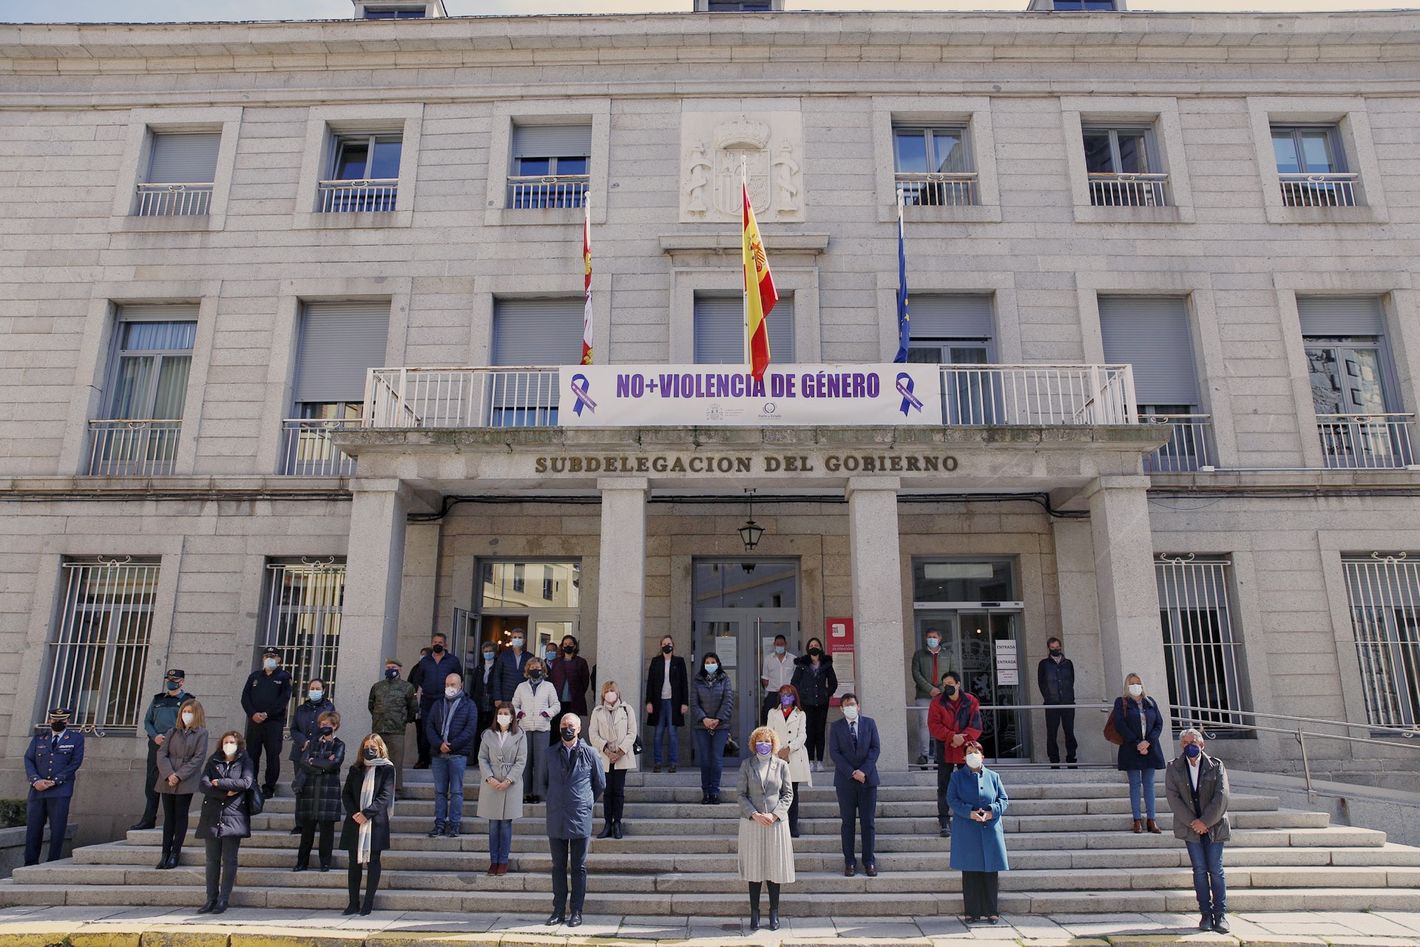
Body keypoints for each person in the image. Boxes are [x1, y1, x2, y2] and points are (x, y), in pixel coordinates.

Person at [538, 714, 605, 929]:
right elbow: (543, 782)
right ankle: (558, 910)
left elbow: (600, 784)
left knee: (579, 866)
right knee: (558, 866)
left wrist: (584, 802)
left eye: (571, 726)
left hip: (579, 816)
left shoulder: (590, 753)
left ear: (579, 728)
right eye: (564, 725)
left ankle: (576, 911)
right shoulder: (549, 753)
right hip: (556, 815)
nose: (567, 729)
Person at [1165, 728, 1231, 935]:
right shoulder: (1174, 768)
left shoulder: (1216, 765)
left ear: (1202, 745)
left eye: (1193, 742)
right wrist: (1193, 822)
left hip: (1214, 826)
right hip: (1191, 827)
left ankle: (1220, 914)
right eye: (1185, 743)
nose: (1189, 746)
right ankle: (1205, 914)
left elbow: (1222, 796)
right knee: (1200, 871)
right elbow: (1173, 799)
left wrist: (1205, 821)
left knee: (1215, 870)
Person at [737, 724, 796, 932]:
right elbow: (741, 794)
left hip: (775, 822)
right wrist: (754, 814)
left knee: (773, 868)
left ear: (773, 744)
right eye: (760, 741)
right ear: (754, 744)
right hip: (753, 822)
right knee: (754, 869)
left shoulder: (781, 765)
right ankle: (754, 912)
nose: (764, 745)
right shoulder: (746, 764)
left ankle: (774, 911)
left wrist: (774, 814)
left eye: (767, 741)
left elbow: (788, 794)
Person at [948, 740, 1010, 925]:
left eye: (976, 752)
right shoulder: (957, 777)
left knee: (990, 872)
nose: (973, 755)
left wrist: (992, 810)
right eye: (969, 752)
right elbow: (951, 799)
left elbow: (1003, 799)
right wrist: (970, 812)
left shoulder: (993, 776)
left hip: (989, 828)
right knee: (971, 873)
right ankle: (972, 911)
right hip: (968, 829)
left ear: (983, 756)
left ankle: (991, 910)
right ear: (963, 757)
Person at [195, 730, 255, 915]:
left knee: (229, 860)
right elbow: (203, 784)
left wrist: (219, 783)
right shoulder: (213, 760)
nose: (228, 744)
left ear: (239, 745)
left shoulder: (244, 760)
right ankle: (210, 898)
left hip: (234, 816)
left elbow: (245, 783)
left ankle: (223, 899)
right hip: (212, 815)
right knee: (212, 860)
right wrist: (224, 791)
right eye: (226, 741)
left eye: (232, 742)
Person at [132, 668, 195, 830]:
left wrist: (172, 739)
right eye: (169, 679)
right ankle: (148, 818)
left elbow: (190, 724)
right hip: (156, 744)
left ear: (181, 682)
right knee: (152, 782)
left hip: (176, 746)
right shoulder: (157, 700)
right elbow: (147, 721)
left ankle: (171, 821)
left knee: (172, 782)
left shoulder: (189, 701)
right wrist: (155, 737)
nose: (171, 683)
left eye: (174, 680)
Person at [340, 734, 396, 916]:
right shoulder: (356, 769)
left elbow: (385, 796)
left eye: (373, 746)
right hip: (355, 821)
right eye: (366, 746)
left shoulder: (387, 769)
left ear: (380, 749)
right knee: (353, 863)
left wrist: (366, 814)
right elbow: (346, 793)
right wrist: (355, 813)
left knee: (373, 862)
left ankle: (368, 902)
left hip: (375, 823)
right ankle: (353, 902)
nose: (369, 749)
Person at [23, 707, 85, 867]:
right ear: (49, 720)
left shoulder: (76, 739)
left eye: (62, 720)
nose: (58, 722)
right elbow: (28, 759)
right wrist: (36, 780)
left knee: (57, 830)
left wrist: (55, 781)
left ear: (68, 721)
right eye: (55, 720)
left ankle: (52, 863)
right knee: (33, 829)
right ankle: (30, 864)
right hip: (37, 790)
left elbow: (75, 763)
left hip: (60, 790)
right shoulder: (39, 739)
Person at [828, 693, 880, 877]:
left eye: (852, 704)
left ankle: (869, 861)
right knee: (847, 823)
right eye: (846, 705)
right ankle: (849, 861)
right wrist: (851, 772)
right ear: (841, 709)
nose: (850, 707)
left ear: (858, 706)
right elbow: (834, 753)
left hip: (868, 780)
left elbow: (875, 749)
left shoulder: (869, 723)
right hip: (845, 781)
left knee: (868, 823)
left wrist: (863, 771)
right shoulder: (836, 727)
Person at [153, 697, 208, 870]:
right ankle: (165, 853)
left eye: (189, 712)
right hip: (167, 779)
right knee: (168, 817)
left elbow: (198, 758)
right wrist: (169, 774)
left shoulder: (201, 733)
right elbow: (162, 754)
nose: (186, 715)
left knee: (180, 816)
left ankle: (175, 853)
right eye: (184, 712)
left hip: (186, 780)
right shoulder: (172, 732)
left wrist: (179, 775)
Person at [928, 670, 982, 838]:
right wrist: (952, 736)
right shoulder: (937, 702)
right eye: (944, 685)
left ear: (958, 684)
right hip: (945, 747)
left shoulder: (971, 701)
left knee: (968, 784)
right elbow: (933, 725)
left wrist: (963, 738)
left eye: (950, 684)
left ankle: (969, 816)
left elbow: (976, 725)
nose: (947, 687)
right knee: (943, 786)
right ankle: (944, 820)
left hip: (966, 749)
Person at [477, 700, 527, 875]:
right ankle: (493, 860)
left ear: (512, 716)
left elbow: (521, 761)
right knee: (493, 824)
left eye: (506, 714)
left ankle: (503, 860)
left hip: (510, 784)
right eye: (500, 713)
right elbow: (482, 757)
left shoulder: (520, 734)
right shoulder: (488, 734)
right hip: (491, 782)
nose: (503, 717)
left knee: (505, 824)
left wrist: (508, 780)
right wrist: (489, 777)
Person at [425, 672, 476, 838]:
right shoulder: (438, 704)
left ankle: (454, 825)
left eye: (453, 684)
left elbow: (469, 730)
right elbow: (430, 727)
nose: (450, 687)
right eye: (447, 684)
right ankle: (439, 824)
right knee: (440, 792)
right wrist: (439, 744)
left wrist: (452, 746)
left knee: (456, 792)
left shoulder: (469, 705)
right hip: (438, 755)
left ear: (460, 685)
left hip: (458, 755)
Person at [1114, 672, 1166, 834]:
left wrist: (1147, 742)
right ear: (1126, 686)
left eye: (1137, 683)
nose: (1135, 686)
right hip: (1131, 748)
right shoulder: (1121, 702)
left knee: (1149, 784)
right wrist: (1137, 743)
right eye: (1131, 683)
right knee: (1135, 785)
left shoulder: (1150, 702)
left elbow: (1159, 723)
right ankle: (1137, 820)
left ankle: (1152, 819)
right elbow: (1120, 724)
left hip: (1150, 748)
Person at [294, 710, 345, 872]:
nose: (324, 727)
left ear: (335, 726)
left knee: (326, 832)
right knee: (307, 832)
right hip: (310, 791)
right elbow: (304, 763)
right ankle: (301, 863)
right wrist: (321, 764)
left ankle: (325, 862)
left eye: (327, 724)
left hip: (327, 793)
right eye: (321, 724)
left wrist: (314, 762)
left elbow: (334, 764)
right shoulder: (313, 743)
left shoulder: (339, 745)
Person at [588, 679, 638, 839]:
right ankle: (607, 823)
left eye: (613, 691)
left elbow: (632, 732)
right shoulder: (597, 711)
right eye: (607, 691)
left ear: (617, 693)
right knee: (607, 791)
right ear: (603, 694)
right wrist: (606, 750)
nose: (610, 694)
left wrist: (620, 751)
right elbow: (593, 734)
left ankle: (617, 823)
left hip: (621, 757)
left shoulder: (627, 709)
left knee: (618, 791)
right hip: (605, 756)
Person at [240, 646, 292, 798]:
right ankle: (251, 785)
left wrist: (267, 714)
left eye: (273, 656)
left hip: (273, 723)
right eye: (267, 656)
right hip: (254, 723)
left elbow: (284, 699)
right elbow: (245, 698)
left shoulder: (284, 676)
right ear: (262, 658)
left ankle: (269, 788)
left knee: (272, 756)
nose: (269, 658)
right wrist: (253, 714)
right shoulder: (254, 676)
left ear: (279, 659)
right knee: (252, 756)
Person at [410, 633, 462, 768]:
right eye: (435, 642)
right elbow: (418, 681)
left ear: (445, 645)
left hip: (446, 700)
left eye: (440, 642)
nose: (437, 644)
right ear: (431, 644)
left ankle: (443, 759)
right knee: (426, 730)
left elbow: (459, 679)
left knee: (445, 729)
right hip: (428, 700)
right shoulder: (425, 661)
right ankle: (423, 759)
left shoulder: (453, 661)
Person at [514, 656, 561, 805]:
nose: (535, 670)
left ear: (543, 669)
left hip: (542, 728)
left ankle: (539, 793)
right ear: (527, 670)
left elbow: (556, 705)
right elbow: (514, 705)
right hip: (525, 728)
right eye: (532, 668)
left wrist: (547, 714)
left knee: (541, 762)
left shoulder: (549, 686)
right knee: (525, 761)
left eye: (538, 667)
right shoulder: (521, 687)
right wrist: (519, 714)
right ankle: (525, 793)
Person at [690, 651, 734, 805]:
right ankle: (706, 792)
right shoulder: (697, 680)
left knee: (716, 759)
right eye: (707, 662)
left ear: (718, 663)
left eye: (712, 662)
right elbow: (694, 703)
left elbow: (728, 700)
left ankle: (714, 791)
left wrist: (717, 719)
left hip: (721, 726)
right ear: (703, 664)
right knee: (705, 760)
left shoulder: (724, 679)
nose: (710, 665)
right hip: (701, 726)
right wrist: (704, 719)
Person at [765, 684, 809, 838]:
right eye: (783, 694)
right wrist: (778, 751)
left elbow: (802, 735)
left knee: (792, 793)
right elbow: (769, 733)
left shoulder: (801, 714)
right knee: (777, 791)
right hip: (777, 757)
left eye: (789, 694)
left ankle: (793, 826)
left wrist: (789, 749)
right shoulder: (773, 712)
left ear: (794, 697)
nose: (786, 697)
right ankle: (779, 823)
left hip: (794, 756)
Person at [368, 658, 416, 798]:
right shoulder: (377, 686)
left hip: (397, 730)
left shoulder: (407, 687)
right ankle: (377, 789)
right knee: (377, 761)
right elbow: (371, 705)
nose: (390, 669)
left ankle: (396, 790)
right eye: (388, 667)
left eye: (393, 667)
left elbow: (412, 708)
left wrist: (402, 720)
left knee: (395, 762)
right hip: (378, 729)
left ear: (400, 669)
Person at [790, 637, 837, 772]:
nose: (813, 647)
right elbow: (794, 683)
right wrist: (803, 696)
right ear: (808, 648)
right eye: (811, 645)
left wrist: (826, 693)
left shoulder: (826, 664)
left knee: (820, 731)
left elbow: (833, 683)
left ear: (820, 647)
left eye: (816, 645)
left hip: (822, 703)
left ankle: (820, 761)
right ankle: (810, 760)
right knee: (808, 731)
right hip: (807, 703)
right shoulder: (802, 664)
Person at [644, 634, 688, 774]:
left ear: (673, 645)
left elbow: (684, 683)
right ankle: (657, 762)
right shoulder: (656, 661)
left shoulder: (679, 662)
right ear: (660, 646)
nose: (666, 645)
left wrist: (684, 703)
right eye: (664, 643)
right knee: (658, 733)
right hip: (658, 702)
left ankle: (673, 763)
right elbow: (650, 682)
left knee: (673, 733)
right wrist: (649, 701)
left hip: (674, 702)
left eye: (669, 643)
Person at [289, 678, 335, 799]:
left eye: (318, 689)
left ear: (323, 690)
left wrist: (314, 742)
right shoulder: (301, 709)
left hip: (319, 753)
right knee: (300, 787)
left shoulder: (329, 708)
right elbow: (293, 729)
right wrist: (304, 741)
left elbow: (330, 727)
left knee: (315, 790)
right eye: (312, 689)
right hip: (300, 751)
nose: (315, 691)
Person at [1037, 636, 1078, 769]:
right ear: (1049, 648)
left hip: (1067, 702)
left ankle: (1071, 758)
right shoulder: (1044, 664)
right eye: (1053, 647)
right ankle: (1054, 760)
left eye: (1057, 647)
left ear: (1061, 647)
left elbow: (1071, 680)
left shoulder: (1068, 663)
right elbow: (1041, 683)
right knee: (1052, 733)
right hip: (1052, 703)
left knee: (1069, 732)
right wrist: (1048, 697)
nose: (1056, 649)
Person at [910, 628, 947, 766]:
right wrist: (930, 689)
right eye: (929, 636)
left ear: (940, 638)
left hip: (942, 697)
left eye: (934, 636)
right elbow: (916, 674)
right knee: (924, 724)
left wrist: (941, 690)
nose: (931, 639)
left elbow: (953, 674)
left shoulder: (948, 655)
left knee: (940, 725)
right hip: (923, 695)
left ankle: (939, 755)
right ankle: (924, 755)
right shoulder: (919, 655)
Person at [549, 634, 592, 720]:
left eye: (570, 643)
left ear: (575, 646)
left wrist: (578, 692)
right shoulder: (556, 662)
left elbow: (585, 681)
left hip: (574, 701)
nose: (567, 646)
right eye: (565, 644)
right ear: (562, 646)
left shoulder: (581, 662)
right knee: (556, 727)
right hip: (557, 701)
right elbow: (552, 679)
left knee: (572, 726)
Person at [759, 634, 796, 725]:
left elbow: (796, 678)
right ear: (774, 644)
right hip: (773, 694)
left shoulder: (793, 659)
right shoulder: (768, 659)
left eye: (781, 644)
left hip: (788, 695)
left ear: (785, 644)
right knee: (770, 720)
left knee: (788, 720)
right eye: (777, 644)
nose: (779, 646)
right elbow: (765, 679)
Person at [491, 628, 533, 704]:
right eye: (515, 637)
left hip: (524, 697)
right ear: (511, 639)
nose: (517, 639)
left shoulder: (530, 657)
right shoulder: (503, 656)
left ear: (524, 640)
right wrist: (497, 697)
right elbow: (497, 677)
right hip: (505, 697)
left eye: (520, 637)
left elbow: (533, 677)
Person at [470, 641, 500, 736]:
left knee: (493, 730)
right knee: (479, 731)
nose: (488, 653)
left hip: (493, 705)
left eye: (490, 651)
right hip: (479, 704)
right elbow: (473, 687)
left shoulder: (498, 667)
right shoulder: (478, 668)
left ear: (495, 652)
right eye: (486, 651)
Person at [410, 647, 432, 768]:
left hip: (430, 704)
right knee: (420, 733)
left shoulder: (433, 668)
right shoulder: (416, 668)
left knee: (429, 734)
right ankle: (422, 758)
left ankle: (428, 757)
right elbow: (410, 684)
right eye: (421, 654)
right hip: (418, 706)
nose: (422, 656)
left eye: (425, 655)